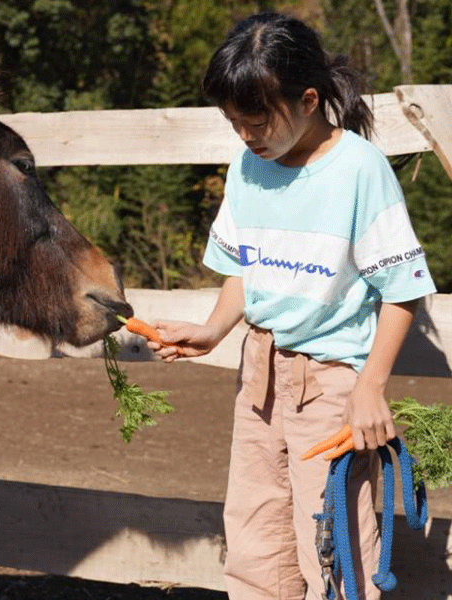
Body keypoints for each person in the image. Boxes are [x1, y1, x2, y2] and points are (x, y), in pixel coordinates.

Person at [148, 12, 437, 600]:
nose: (247, 137)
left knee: (335, 547)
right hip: (258, 377)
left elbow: (403, 290)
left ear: (308, 100)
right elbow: (243, 269)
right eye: (235, 125)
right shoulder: (248, 167)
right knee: (254, 542)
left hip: (331, 386)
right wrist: (211, 330)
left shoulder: (358, 170)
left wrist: (369, 388)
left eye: (256, 122)